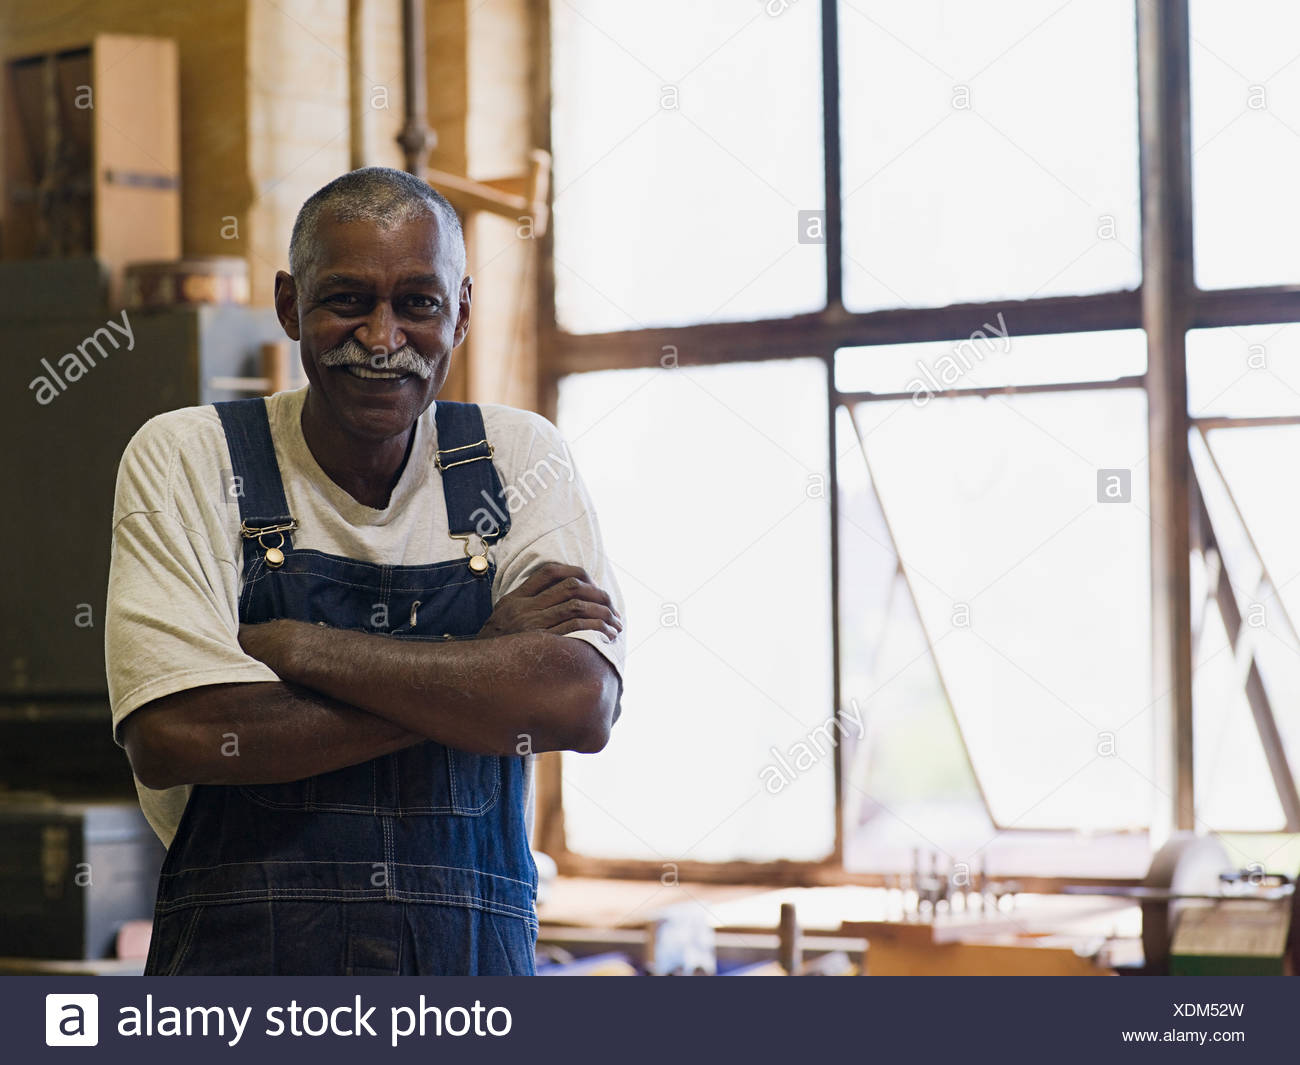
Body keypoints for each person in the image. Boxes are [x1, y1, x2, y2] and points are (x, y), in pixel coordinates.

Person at [105, 166, 625, 975]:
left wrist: (295, 647)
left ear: (460, 312)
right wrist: (479, 658)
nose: (382, 339)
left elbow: (574, 702)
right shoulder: (189, 456)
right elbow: (178, 734)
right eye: (348, 299)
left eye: (418, 303)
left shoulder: (515, 457)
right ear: (290, 304)